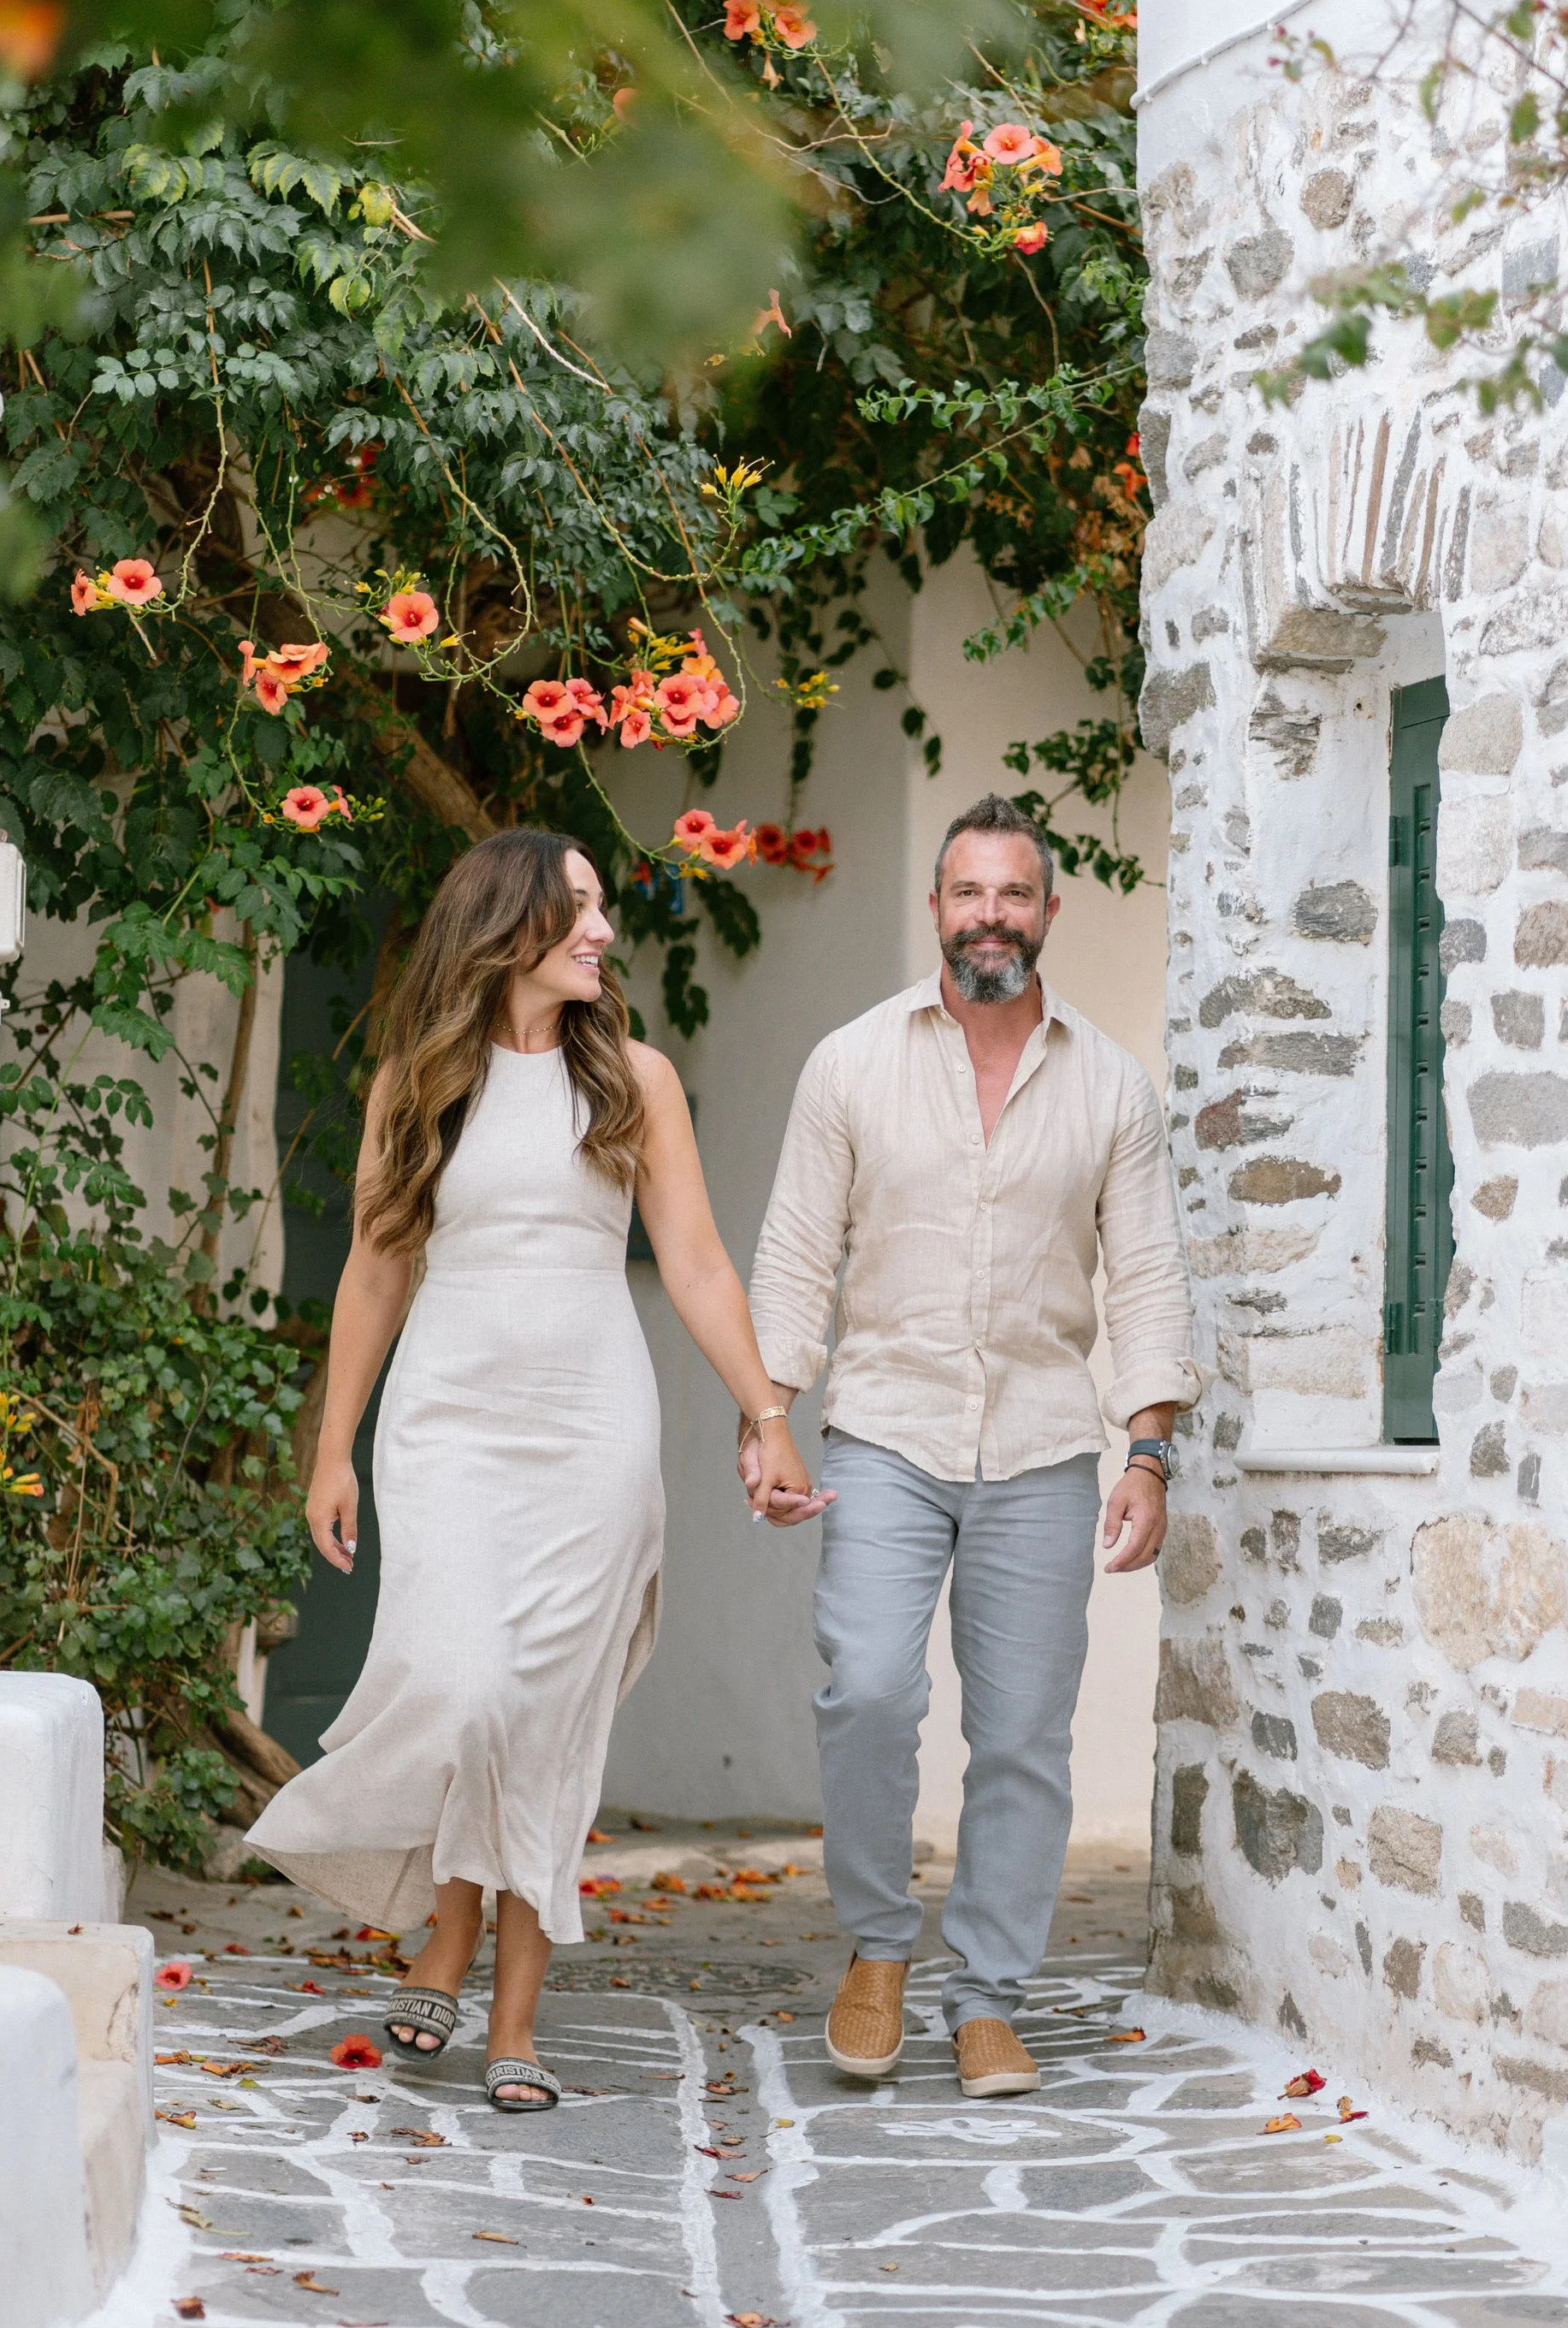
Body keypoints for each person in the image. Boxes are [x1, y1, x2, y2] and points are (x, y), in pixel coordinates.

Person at [249, 829, 825, 2111]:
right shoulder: (415, 1083)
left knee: (550, 1721)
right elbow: (377, 1267)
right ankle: (444, 1932)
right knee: (464, 1684)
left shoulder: (635, 1080)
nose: (603, 932)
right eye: (580, 910)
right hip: (447, 1419)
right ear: (508, 924)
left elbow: (696, 1263)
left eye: (603, 911)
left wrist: (767, 1413)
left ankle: (509, 2021)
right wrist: (333, 1445)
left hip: (590, 1433)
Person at [743, 794, 1201, 2099]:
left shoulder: (1111, 1085)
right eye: (967, 893)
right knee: (871, 1690)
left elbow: (1150, 1279)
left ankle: (989, 1995)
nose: (989, 915)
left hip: (1049, 1447)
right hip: (885, 1431)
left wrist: (1149, 1451)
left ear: (1049, 913)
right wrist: (768, 1415)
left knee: (1021, 1736)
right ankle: (880, 1954)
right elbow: (792, 1254)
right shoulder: (850, 1066)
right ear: (934, 909)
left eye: (1014, 894)